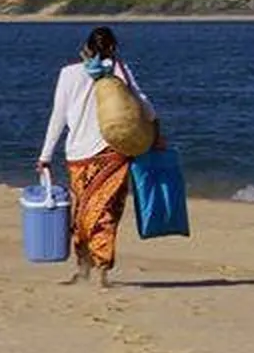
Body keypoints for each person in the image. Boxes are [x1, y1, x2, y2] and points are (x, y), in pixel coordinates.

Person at [36, 26, 162, 287]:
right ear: (113, 48)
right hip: (112, 152)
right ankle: (102, 271)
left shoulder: (69, 73)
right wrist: (156, 132)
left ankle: (84, 269)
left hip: (78, 154)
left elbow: (57, 117)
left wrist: (45, 154)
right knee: (106, 213)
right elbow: (144, 104)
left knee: (83, 212)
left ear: (87, 46)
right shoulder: (119, 71)